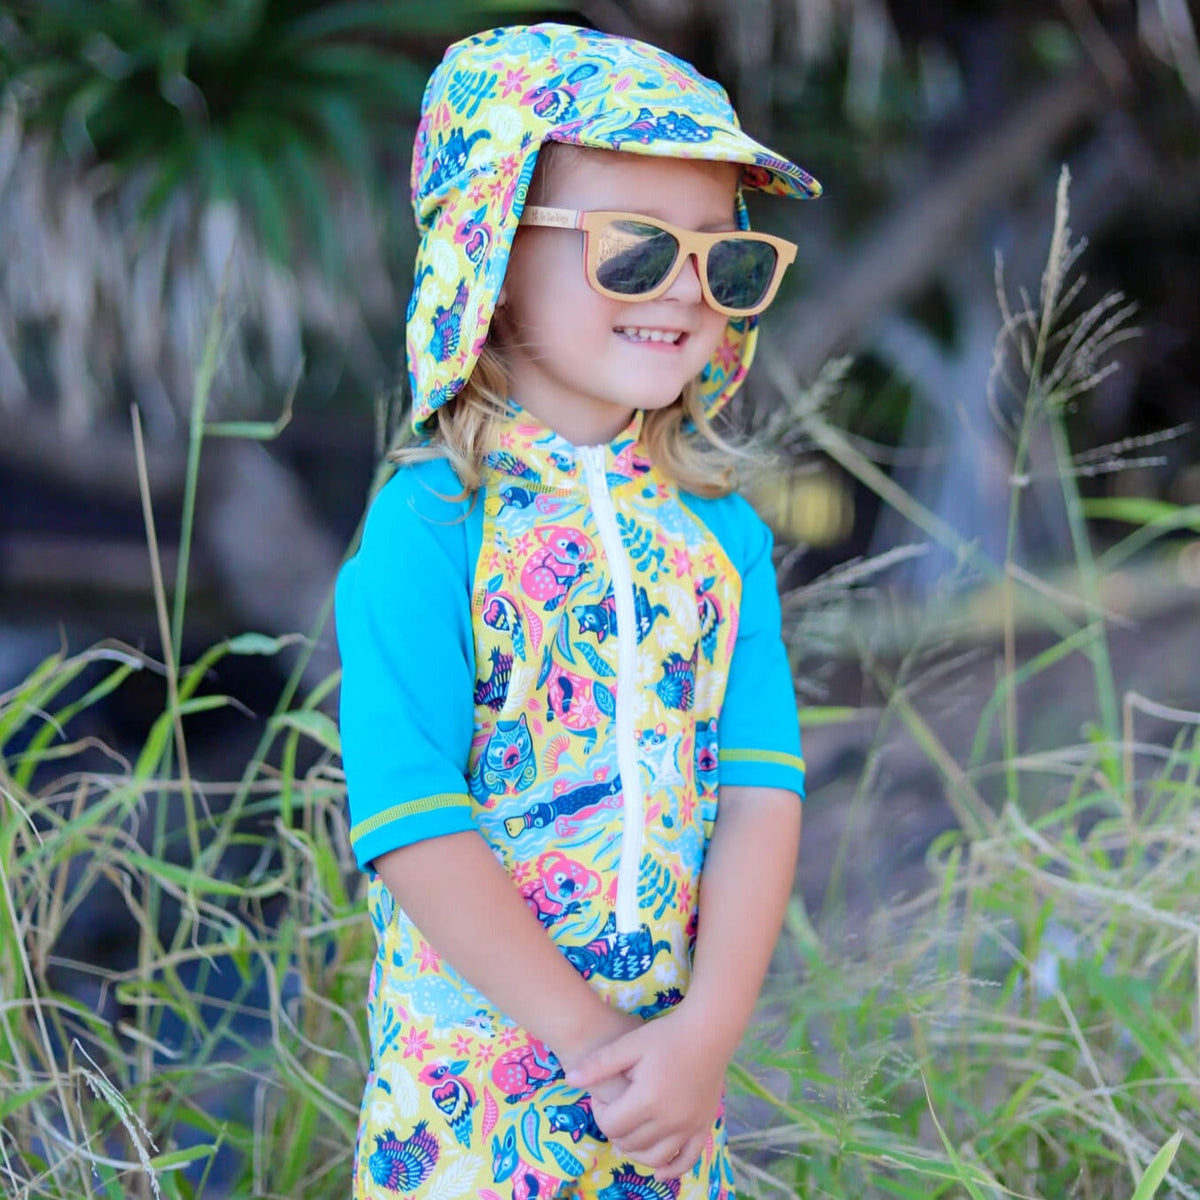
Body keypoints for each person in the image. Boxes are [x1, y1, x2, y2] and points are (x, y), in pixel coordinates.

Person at [335, 21, 821, 1200]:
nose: (687, 292)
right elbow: (409, 816)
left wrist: (703, 1037)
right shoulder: (434, 528)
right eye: (635, 251)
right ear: (489, 256)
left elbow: (763, 791)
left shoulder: (723, 542)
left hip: (666, 1099)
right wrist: (590, 1041)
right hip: (472, 1107)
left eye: (725, 259)